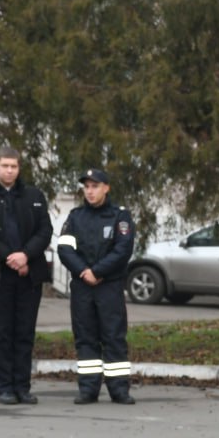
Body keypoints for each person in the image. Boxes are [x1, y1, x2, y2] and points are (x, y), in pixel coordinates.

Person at [0, 145, 54, 405]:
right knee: (3, 333)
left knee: (25, 333)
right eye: (4, 165)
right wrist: (10, 257)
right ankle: (5, 387)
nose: (9, 170)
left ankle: (22, 387)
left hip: (29, 275)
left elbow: (45, 230)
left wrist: (25, 255)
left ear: (19, 168)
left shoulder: (34, 195)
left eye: (14, 166)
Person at [56, 168, 136, 405]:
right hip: (82, 287)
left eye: (95, 186)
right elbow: (64, 248)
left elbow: (123, 250)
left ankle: (119, 390)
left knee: (113, 336)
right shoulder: (75, 216)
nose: (90, 191)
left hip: (109, 286)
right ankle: (88, 389)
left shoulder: (120, 216)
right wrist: (84, 271)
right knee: (85, 337)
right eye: (87, 187)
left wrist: (98, 271)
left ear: (106, 188)